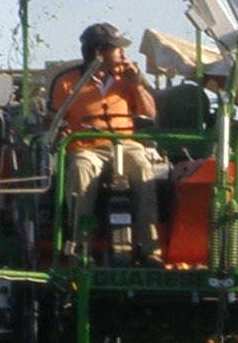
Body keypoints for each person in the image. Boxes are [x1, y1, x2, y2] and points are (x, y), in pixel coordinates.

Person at [49, 23, 166, 263]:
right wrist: (60, 131)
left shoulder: (130, 77)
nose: (124, 55)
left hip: (125, 144)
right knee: (80, 174)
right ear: (99, 52)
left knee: (144, 170)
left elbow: (150, 114)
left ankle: (150, 251)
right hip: (85, 147)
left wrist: (137, 85)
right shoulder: (66, 81)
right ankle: (80, 251)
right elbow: (53, 120)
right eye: (118, 49)